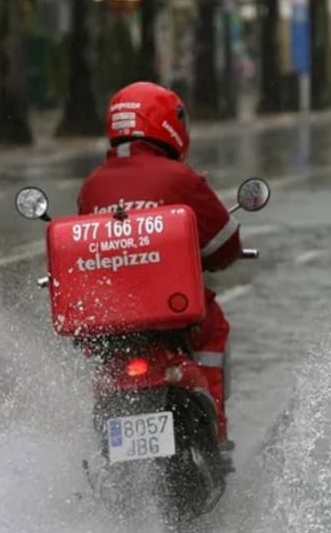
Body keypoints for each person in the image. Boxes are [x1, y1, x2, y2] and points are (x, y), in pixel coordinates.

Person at [77, 81, 242, 446]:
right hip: (170, 317)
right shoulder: (181, 178)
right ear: (168, 123)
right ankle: (216, 427)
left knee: (105, 364)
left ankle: (105, 439)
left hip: (113, 319)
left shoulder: (91, 186)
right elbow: (226, 246)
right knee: (213, 328)